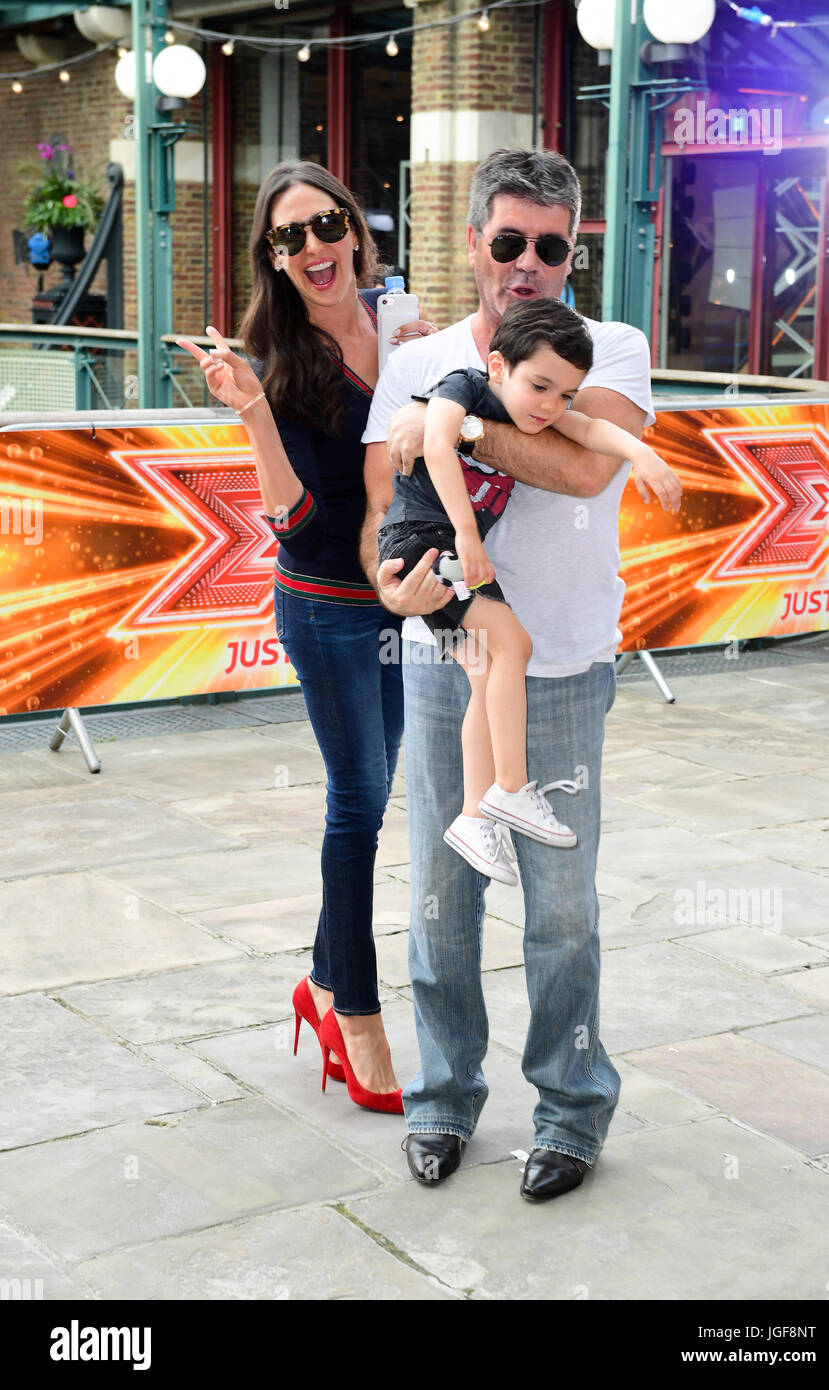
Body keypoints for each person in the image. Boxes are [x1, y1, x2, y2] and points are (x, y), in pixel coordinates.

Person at [361, 146, 675, 1199]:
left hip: (569, 666)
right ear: (474, 245)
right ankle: (444, 1100)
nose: (527, 263)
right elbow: (380, 517)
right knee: (442, 898)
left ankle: (571, 1111)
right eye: (507, 242)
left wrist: (453, 427)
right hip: (441, 652)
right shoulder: (418, 358)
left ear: (573, 246)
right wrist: (393, 585)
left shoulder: (608, 345)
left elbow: (582, 464)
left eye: (548, 244)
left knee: (561, 909)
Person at [177, 160, 442, 1115]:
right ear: (273, 259)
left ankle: (320, 984)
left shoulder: (401, 318)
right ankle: (356, 1013)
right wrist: (252, 411)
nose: (313, 248)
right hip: (326, 599)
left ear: (355, 228)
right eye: (289, 238)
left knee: (383, 783)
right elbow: (291, 518)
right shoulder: (270, 352)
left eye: (325, 225)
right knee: (359, 799)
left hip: (403, 594)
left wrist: (431, 367)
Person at [376, 297, 681, 880]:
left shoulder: (531, 403)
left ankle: (474, 815)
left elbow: (590, 429)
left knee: (490, 671)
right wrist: (468, 537)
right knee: (512, 646)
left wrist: (643, 453)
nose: (550, 407)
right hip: (424, 541)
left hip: (445, 546)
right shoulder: (464, 384)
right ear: (498, 367)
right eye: (541, 387)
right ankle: (509, 790)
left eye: (564, 394)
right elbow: (438, 444)